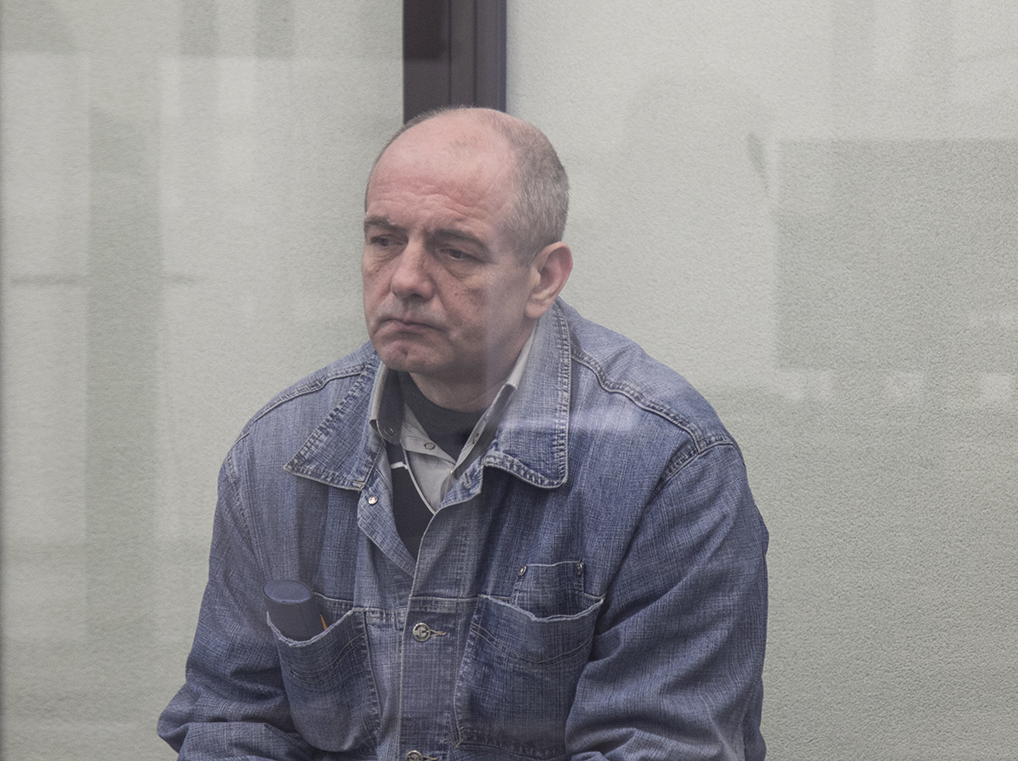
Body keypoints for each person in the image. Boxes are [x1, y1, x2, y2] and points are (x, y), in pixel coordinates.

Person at [159, 107, 769, 760]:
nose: (405, 280)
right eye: (384, 240)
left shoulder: (667, 465)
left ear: (543, 279)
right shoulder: (279, 452)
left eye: (455, 251)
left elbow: (662, 745)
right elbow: (235, 723)